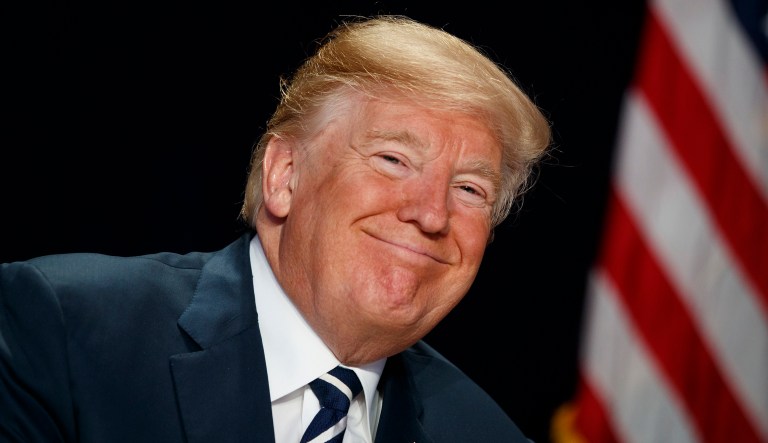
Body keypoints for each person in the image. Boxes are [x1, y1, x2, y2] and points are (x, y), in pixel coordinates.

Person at [0, 15, 551, 443]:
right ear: (285, 177)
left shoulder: (482, 431)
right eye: (392, 160)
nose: (432, 215)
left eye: (470, 190)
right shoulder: (66, 329)